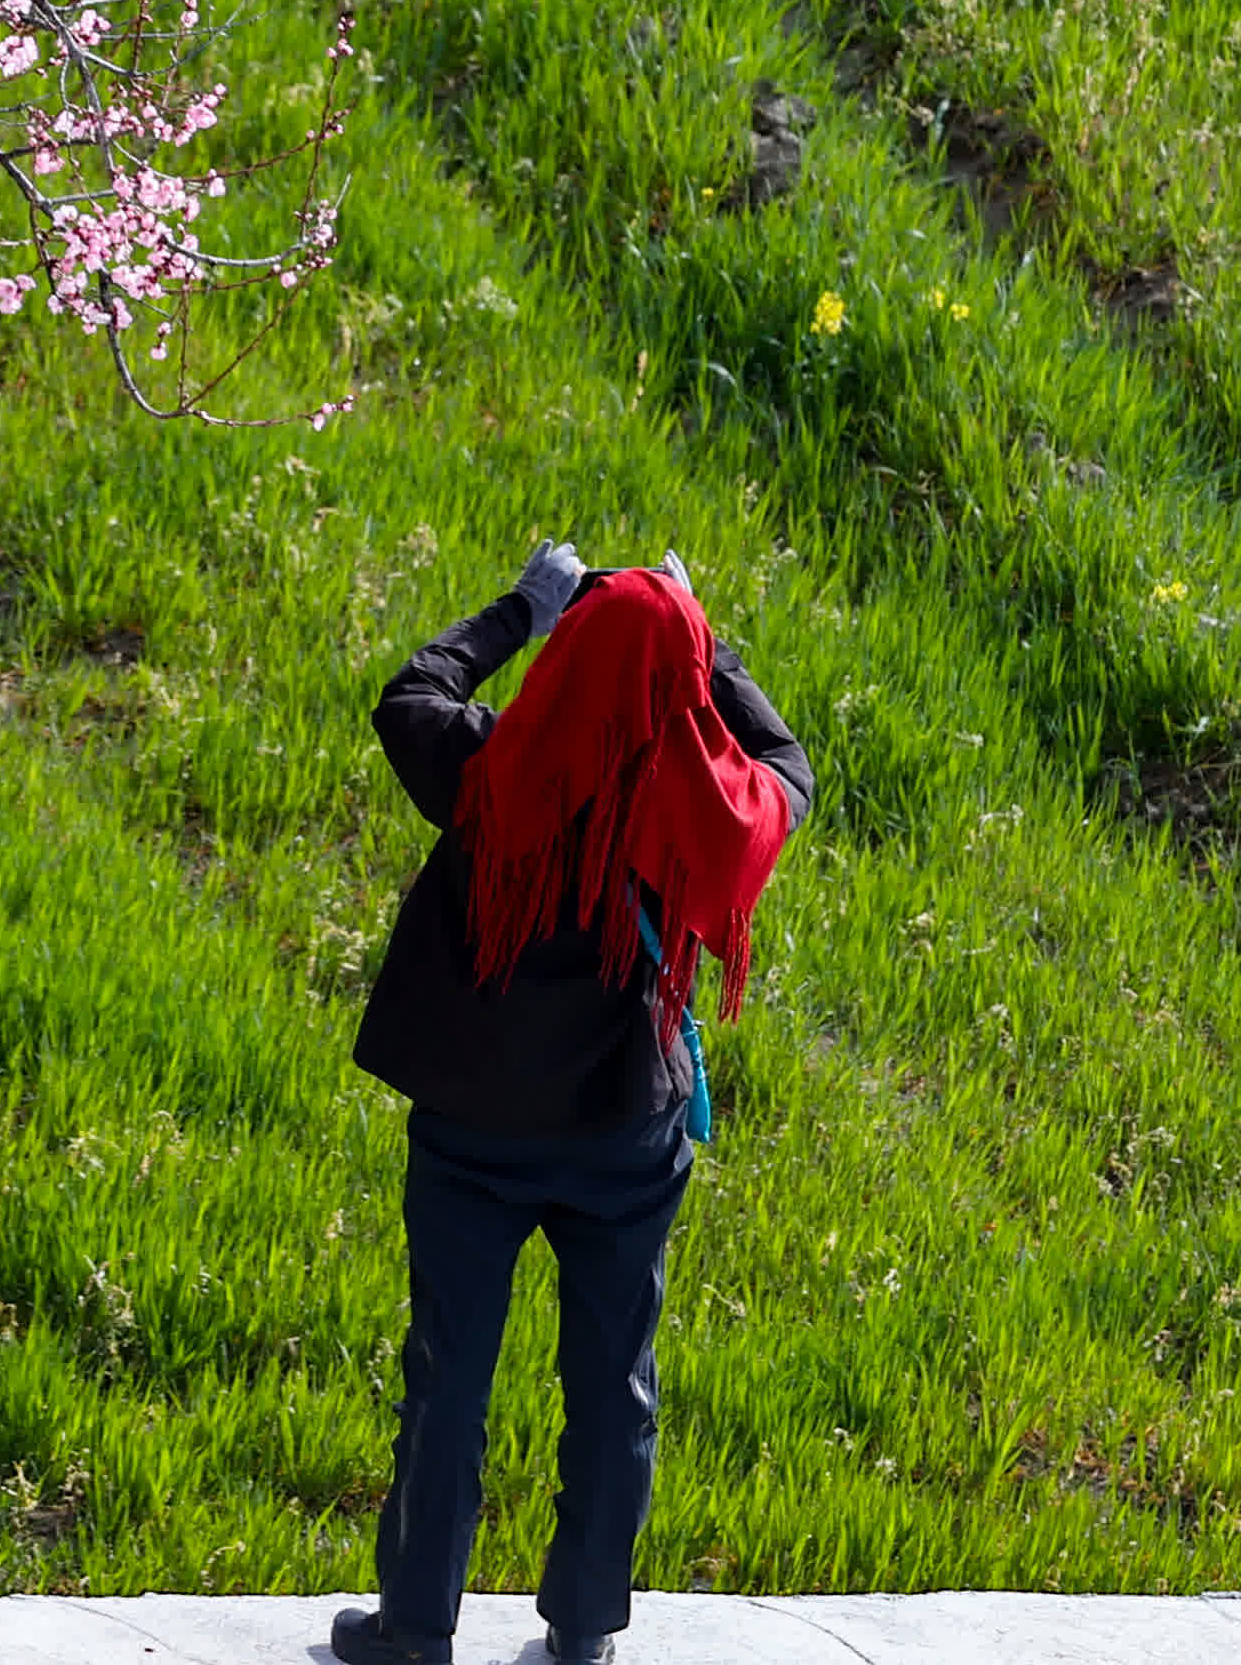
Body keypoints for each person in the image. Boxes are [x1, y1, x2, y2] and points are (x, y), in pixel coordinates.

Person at [329, 545, 809, 1665]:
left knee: (449, 1374)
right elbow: (788, 764)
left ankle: (413, 1631)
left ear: (569, 654)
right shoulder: (702, 807)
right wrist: (705, 639)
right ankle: (583, 1630)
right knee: (613, 1382)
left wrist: (522, 607)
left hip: (471, 1130)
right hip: (623, 1139)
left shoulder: (494, 768)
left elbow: (410, 695)